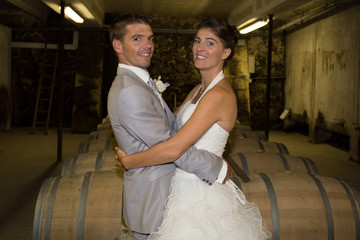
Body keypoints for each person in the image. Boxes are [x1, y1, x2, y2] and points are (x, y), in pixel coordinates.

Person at [115, 17, 272, 239]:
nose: (200, 48)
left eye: (210, 43)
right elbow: (170, 126)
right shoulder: (199, 89)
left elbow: (174, 148)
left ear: (225, 53)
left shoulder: (218, 95)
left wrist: (129, 161)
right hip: (176, 183)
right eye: (198, 41)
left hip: (198, 191)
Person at [107, 14, 230, 240]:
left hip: (183, 188)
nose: (148, 45)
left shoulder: (139, 84)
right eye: (137, 39)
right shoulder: (129, 90)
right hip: (158, 195)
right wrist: (218, 167)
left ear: (226, 52)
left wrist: (131, 160)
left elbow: (172, 130)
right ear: (118, 45)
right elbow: (169, 144)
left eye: (150, 38)